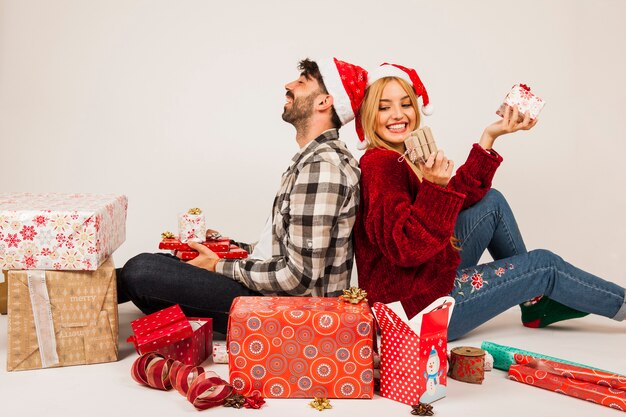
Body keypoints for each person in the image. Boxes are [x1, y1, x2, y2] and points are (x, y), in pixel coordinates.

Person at [353, 63, 626, 340]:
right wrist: (435, 186)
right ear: (368, 115)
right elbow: (406, 248)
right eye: (384, 107)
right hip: (416, 313)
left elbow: (454, 205)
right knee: (545, 265)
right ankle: (618, 304)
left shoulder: (402, 156)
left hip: (423, 280)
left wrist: (489, 137)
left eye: (405, 104)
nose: (398, 115)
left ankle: (534, 302)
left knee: (492, 204)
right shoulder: (381, 165)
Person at [118, 58, 367, 333]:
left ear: (324, 102)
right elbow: (281, 251)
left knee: (141, 271)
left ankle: (79, 298)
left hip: (290, 313)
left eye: (301, 82)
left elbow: (299, 278)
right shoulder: (313, 159)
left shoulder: (322, 168)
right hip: (276, 297)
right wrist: (226, 248)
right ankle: (82, 295)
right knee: (167, 259)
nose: (288, 85)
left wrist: (220, 267)